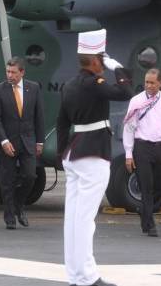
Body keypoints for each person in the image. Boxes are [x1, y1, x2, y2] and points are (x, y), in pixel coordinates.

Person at [56, 29, 132, 286]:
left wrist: (60, 154)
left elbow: (61, 122)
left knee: (74, 219)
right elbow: (125, 92)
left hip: (73, 152)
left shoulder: (70, 84)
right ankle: (87, 276)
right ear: (97, 60)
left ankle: (76, 274)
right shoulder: (93, 84)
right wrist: (118, 67)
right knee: (85, 221)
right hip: (92, 154)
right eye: (102, 58)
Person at [122, 68, 161, 237]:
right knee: (146, 186)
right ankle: (149, 225)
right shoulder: (136, 101)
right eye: (146, 82)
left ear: (160, 83)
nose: (148, 85)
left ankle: (144, 210)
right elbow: (128, 128)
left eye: (152, 82)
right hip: (142, 147)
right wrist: (128, 154)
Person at [0, 57, 45, 229]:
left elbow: (39, 116)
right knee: (7, 180)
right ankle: (9, 217)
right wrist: (3, 140)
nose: (10, 75)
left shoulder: (33, 88)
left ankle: (19, 205)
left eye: (13, 72)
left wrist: (40, 141)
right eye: (8, 71)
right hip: (8, 142)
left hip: (28, 141)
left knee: (30, 176)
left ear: (22, 72)